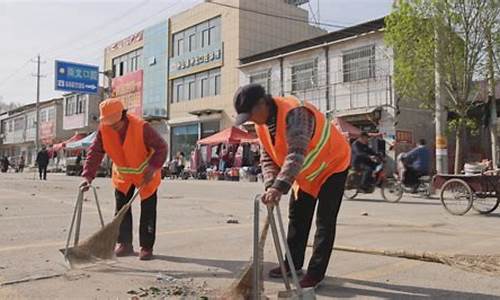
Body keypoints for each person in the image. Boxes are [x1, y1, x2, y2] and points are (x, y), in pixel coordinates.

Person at [233, 84, 351, 288]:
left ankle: (315, 274)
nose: (250, 121)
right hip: (306, 174)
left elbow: (296, 152)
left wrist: (279, 187)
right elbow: (268, 156)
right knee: (297, 216)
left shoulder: (296, 113)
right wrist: (270, 184)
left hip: (333, 164)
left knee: (325, 221)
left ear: (262, 104)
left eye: (250, 115)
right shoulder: (261, 125)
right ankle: (293, 264)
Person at [80, 98, 167, 260]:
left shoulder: (142, 127)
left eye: (116, 123)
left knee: (148, 210)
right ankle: (125, 244)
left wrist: (154, 167)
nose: (113, 126)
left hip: (145, 173)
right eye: (109, 123)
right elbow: (95, 153)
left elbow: (162, 147)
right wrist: (88, 176)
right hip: (123, 175)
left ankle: (146, 246)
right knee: (121, 211)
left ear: (124, 116)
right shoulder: (103, 130)